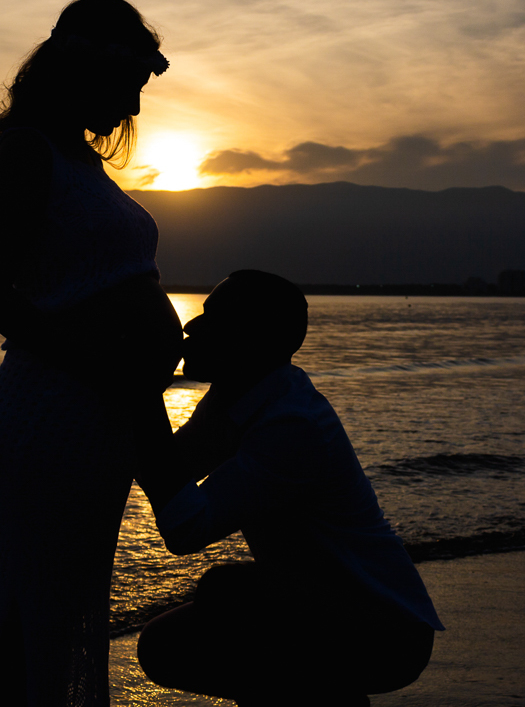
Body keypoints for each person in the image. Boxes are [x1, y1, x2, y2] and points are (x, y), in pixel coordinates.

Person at [0, 0, 182, 707]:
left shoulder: (77, 160)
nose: (134, 111)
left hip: (93, 411)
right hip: (55, 411)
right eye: (130, 88)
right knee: (45, 608)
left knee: (64, 605)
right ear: (88, 71)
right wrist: (101, 368)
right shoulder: (30, 148)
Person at [134, 270, 444, 707]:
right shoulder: (241, 394)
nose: (191, 327)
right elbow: (173, 466)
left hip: (387, 628)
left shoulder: (292, 426)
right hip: (328, 603)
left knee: (225, 596)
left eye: (214, 318)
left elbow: (185, 527)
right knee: (169, 642)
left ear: (252, 340)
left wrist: (140, 399)